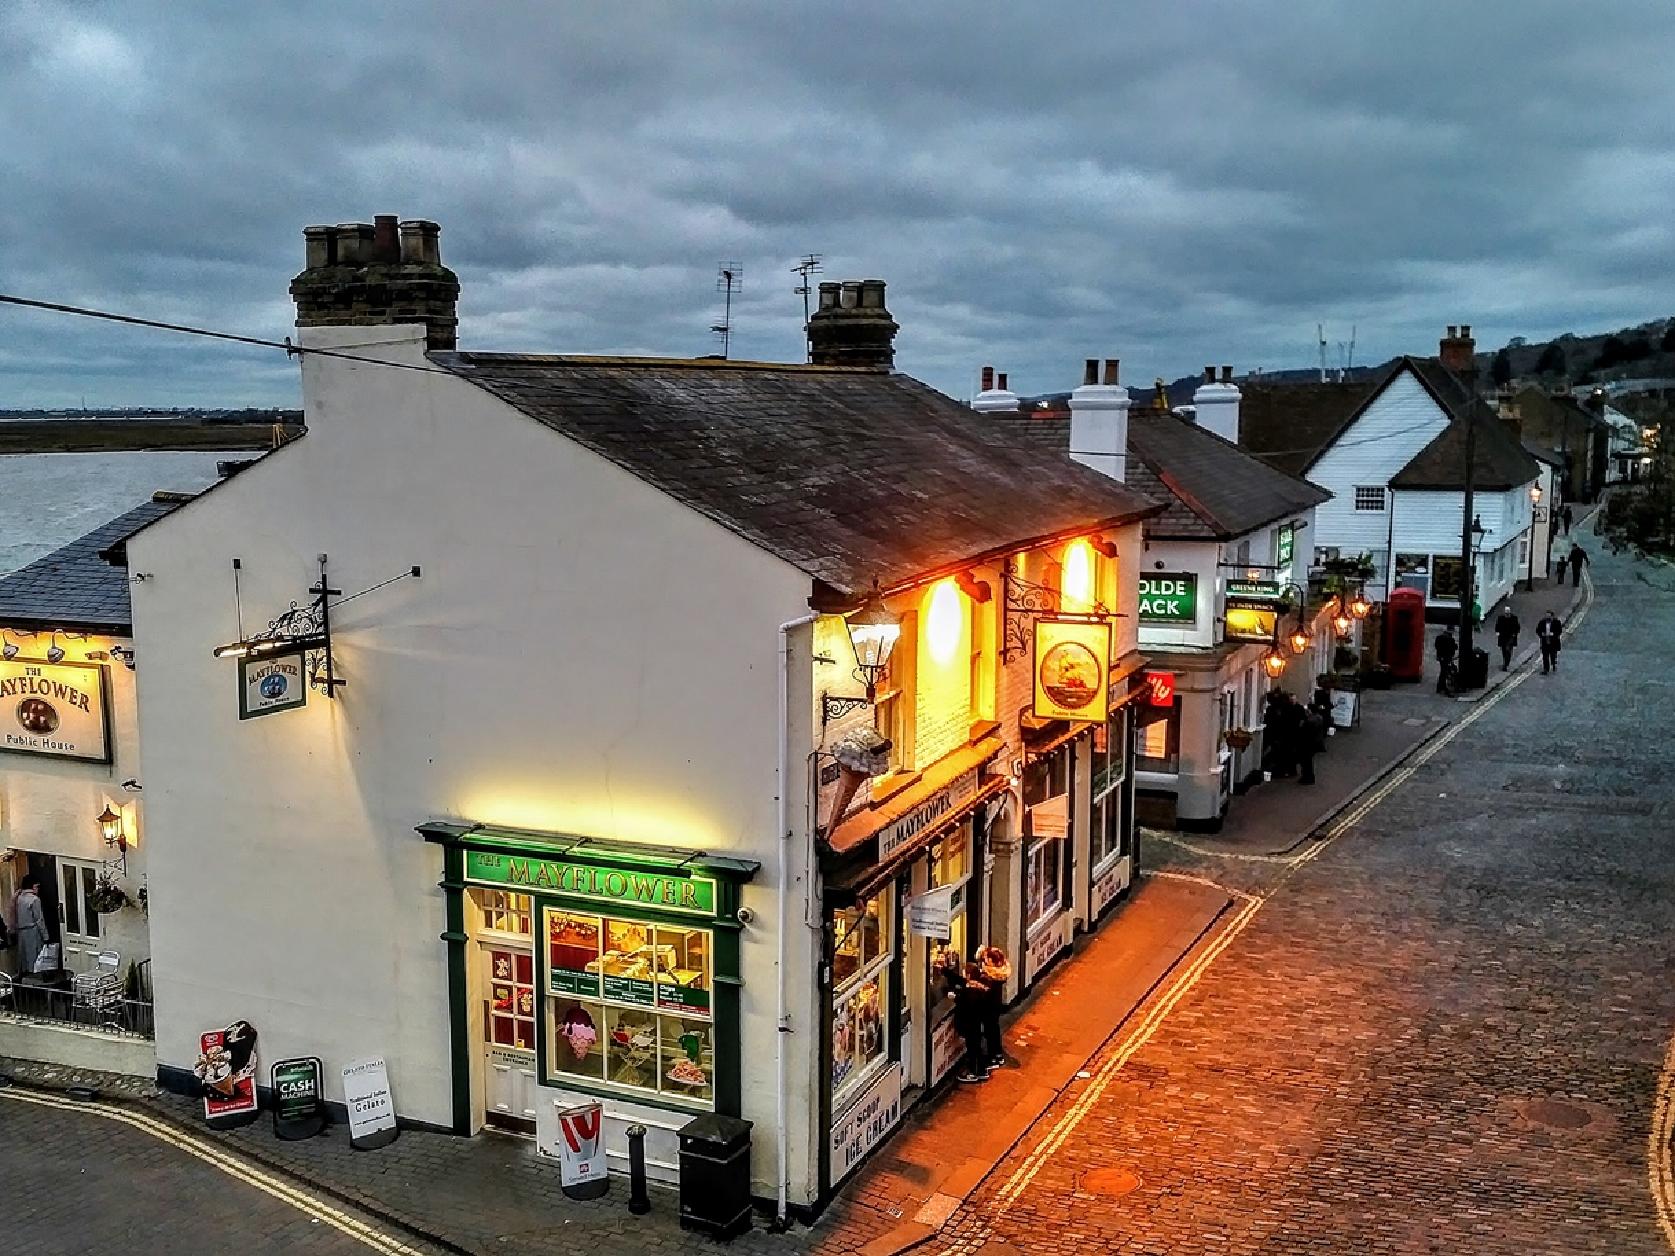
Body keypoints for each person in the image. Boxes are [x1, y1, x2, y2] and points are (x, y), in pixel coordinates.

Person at [953, 962, 991, 1083]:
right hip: (977, 1022)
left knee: (972, 1048)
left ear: (969, 975)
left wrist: (957, 997)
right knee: (977, 1047)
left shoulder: (970, 991)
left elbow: (965, 1005)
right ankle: (981, 1070)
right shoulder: (981, 988)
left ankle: (972, 1072)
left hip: (970, 1023)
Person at [977, 945, 1011, 1069]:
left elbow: (984, 990)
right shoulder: (999, 975)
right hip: (994, 1008)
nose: (984, 961)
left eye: (986, 959)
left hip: (989, 1008)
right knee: (993, 1030)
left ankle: (994, 1057)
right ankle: (996, 1055)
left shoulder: (991, 978)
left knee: (990, 1031)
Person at [13, 875, 49, 976]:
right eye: (37, 887)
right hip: (33, 932)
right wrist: (46, 936)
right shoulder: (34, 899)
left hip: (21, 932)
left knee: (24, 958)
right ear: (33, 887)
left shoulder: (19, 898)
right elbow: (39, 919)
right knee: (35, 958)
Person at [1297, 705, 1324, 786]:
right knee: (1309, 761)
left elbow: (1304, 733)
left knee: (1306, 762)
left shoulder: (1309, 721)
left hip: (1307, 744)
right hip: (1315, 743)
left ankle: (1306, 778)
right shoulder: (1319, 718)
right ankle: (1310, 777)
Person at [1494, 604, 1521, 671]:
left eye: (1508, 613)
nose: (1507, 614)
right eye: (1506, 613)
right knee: (1504, 650)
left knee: (1508, 650)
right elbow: (1497, 626)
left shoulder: (1514, 618)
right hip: (1503, 637)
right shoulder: (1500, 618)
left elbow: (1517, 627)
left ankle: (1505, 664)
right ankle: (1505, 662)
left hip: (1511, 637)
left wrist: (1515, 633)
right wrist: (1497, 632)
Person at [1433, 625, 1458, 695]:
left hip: (1441, 657)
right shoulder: (1450, 639)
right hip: (1447, 658)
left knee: (1443, 672)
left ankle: (1440, 687)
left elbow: (1436, 646)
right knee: (1444, 672)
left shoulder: (1439, 637)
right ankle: (1442, 687)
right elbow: (1454, 647)